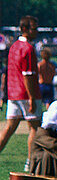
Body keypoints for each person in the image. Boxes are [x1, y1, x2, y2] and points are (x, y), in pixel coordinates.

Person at [0, 16, 41, 165]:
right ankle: (30, 162)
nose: (36, 31)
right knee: (35, 128)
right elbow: (28, 75)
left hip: (13, 94)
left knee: (9, 128)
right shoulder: (28, 48)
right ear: (25, 29)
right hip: (27, 93)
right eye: (34, 28)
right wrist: (31, 97)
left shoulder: (14, 46)